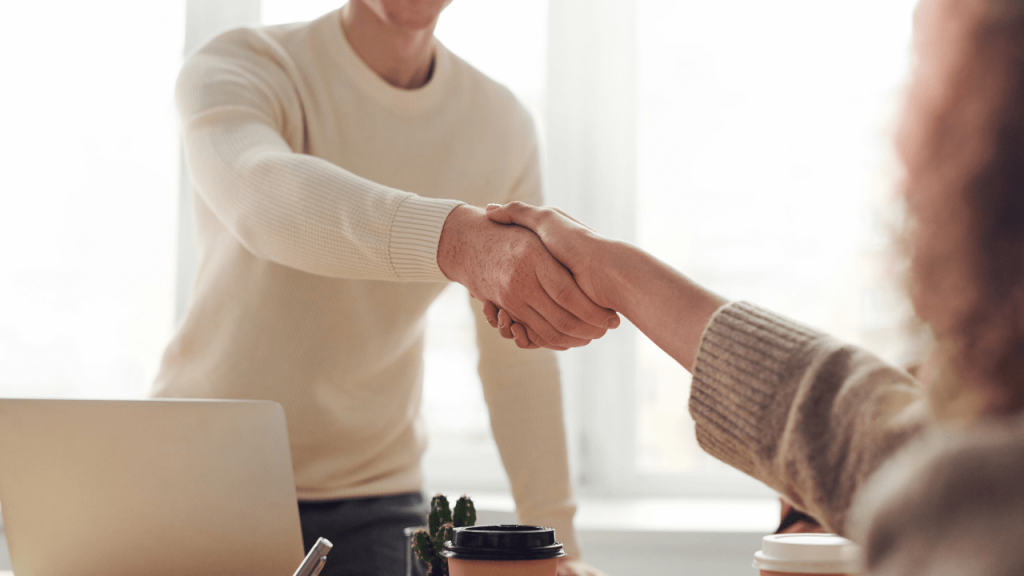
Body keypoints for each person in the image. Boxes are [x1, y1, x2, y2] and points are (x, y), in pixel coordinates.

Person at [481, 0, 1024, 573]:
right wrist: (617, 274)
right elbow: (873, 440)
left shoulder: (972, 513)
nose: (902, 148)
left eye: (927, 83)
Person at [153, 1, 616, 575]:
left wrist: (560, 548)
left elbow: (516, 360)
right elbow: (262, 198)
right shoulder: (242, 64)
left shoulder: (498, 123)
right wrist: (457, 242)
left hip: (375, 500)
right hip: (199, 480)